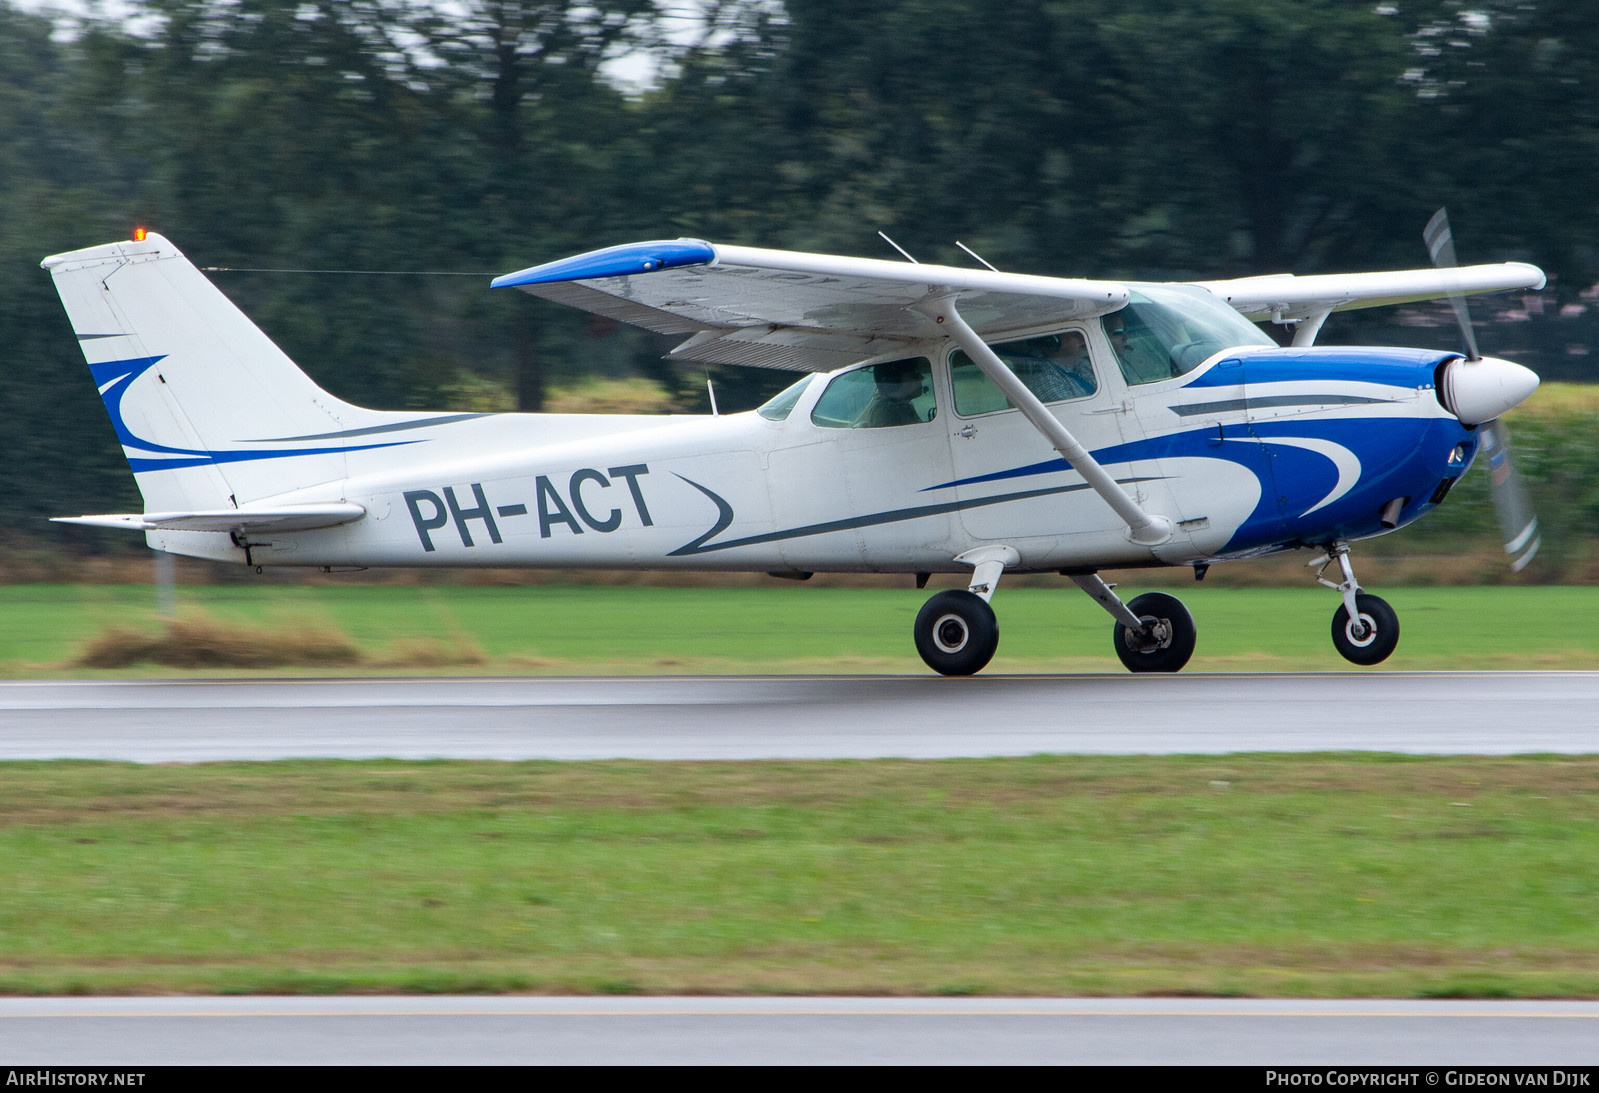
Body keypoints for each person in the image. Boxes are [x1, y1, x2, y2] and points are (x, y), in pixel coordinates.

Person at [860, 358, 928, 427]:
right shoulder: (884, 411)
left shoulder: (904, 407)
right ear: (895, 380)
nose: (921, 378)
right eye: (914, 375)